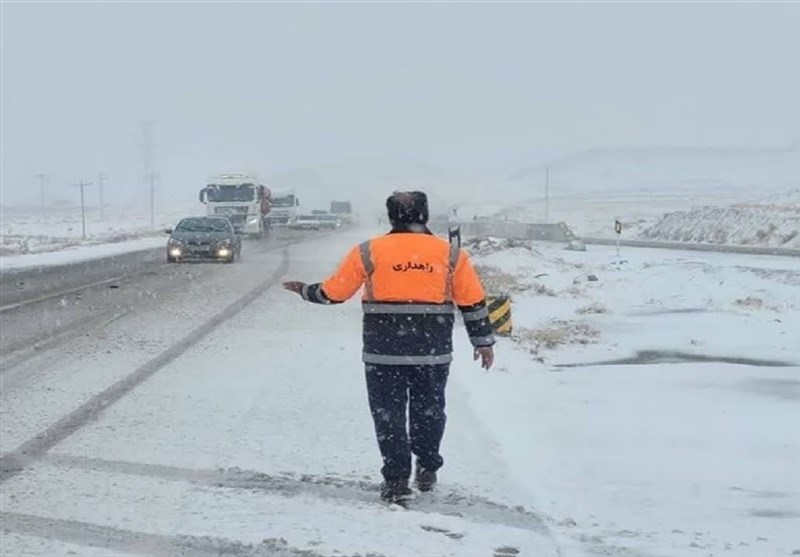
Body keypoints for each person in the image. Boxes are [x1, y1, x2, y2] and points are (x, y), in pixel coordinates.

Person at [282, 190, 495, 503]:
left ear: (391, 216)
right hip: (431, 351)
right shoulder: (450, 254)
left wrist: (305, 291)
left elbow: (335, 292)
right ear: (424, 215)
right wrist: (483, 341)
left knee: (388, 414)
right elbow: (472, 301)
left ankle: (396, 479)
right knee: (430, 410)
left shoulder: (369, 251)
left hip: (383, 352)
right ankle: (427, 465)